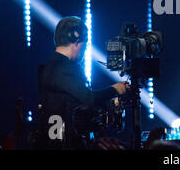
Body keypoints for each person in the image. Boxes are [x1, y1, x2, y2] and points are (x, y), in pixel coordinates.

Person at [37, 16, 129, 149]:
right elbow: (90, 99)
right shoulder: (62, 68)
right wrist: (116, 89)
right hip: (63, 145)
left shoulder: (57, 67)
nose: (85, 50)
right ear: (76, 40)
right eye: (85, 44)